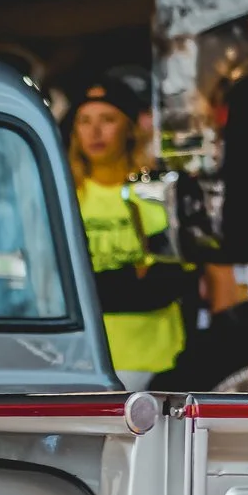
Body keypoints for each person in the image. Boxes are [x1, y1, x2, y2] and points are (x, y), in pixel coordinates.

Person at [67, 74, 194, 388]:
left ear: (128, 127)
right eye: (85, 121)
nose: (95, 131)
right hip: (86, 359)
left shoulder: (156, 192)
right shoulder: (66, 196)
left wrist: (103, 286)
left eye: (108, 119)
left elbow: (176, 277)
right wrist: (131, 278)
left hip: (159, 358)